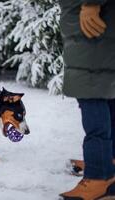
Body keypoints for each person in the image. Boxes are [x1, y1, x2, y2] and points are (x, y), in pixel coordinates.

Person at [58, 0, 115, 199]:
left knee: (93, 96)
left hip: (91, 27)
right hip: (95, 26)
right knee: (107, 93)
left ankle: (100, 176)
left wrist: (92, 3)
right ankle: (107, 162)